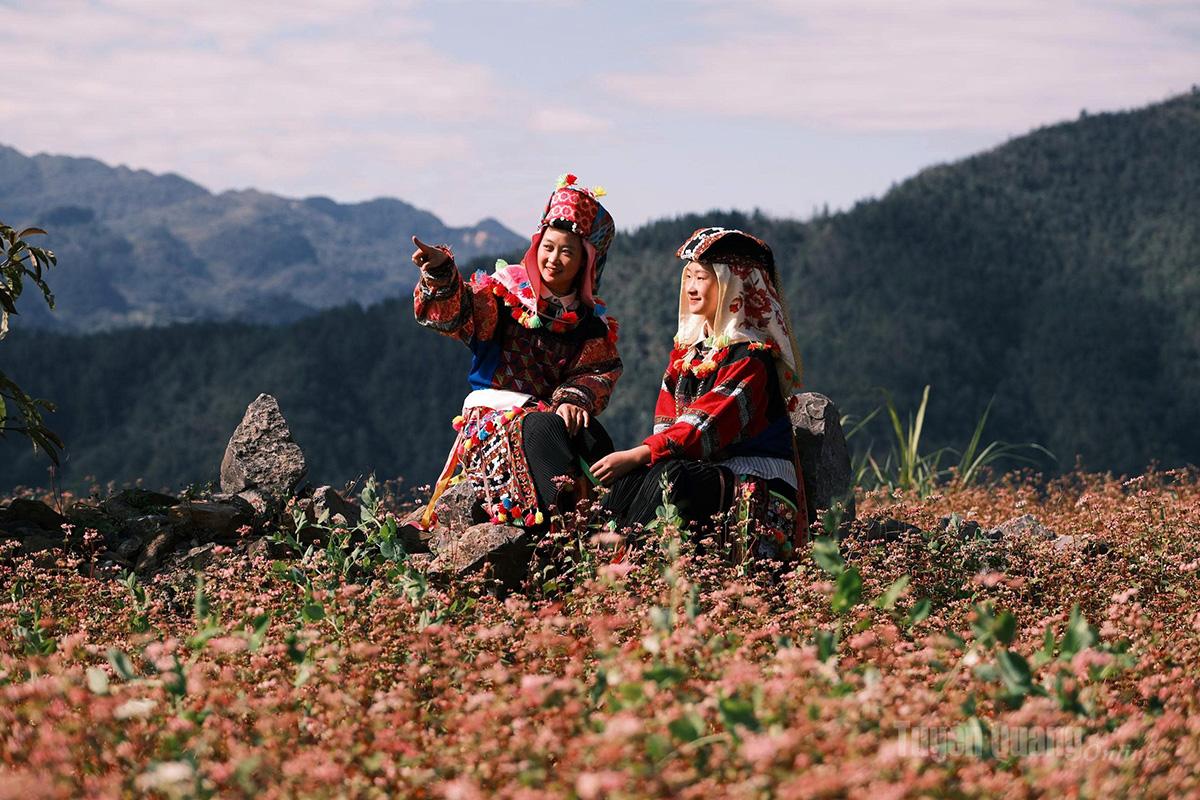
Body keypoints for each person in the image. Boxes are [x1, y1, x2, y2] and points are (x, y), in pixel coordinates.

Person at [411, 174, 621, 529]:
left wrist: (574, 399)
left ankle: (612, 521)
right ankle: (565, 527)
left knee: (592, 435)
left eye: (567, 251)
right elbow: (456, 315)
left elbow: (597, 371)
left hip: (548, 414)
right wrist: (440, 270)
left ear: (585, 261)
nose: (554, 259)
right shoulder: (504, 295)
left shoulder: (588, 324)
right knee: (542, 429)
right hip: (495, 416)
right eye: (548, 247)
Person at [591, 227, 809, 560]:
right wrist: (641, 462)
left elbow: (702, 427)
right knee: (639, 475)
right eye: (689, 276)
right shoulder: (687, 354)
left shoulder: (752, 357)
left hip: (756, 479)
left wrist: (639, 454)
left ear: (731, 286)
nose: (691, 288)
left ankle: (628, 559)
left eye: (702, 278)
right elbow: (667, 426)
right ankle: (594, 552)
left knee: (669, 474)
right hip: (705, 470)